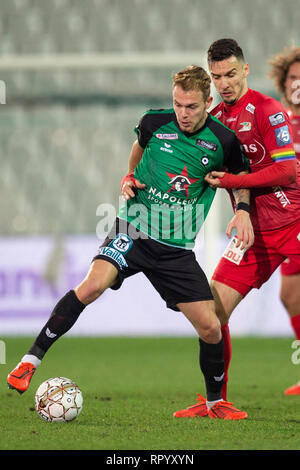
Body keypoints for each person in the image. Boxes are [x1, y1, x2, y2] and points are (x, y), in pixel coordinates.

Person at [7, 65, 252, 420]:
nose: (183, 113)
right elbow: (137, 150)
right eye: (178, 105)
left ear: (207, 102)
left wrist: (242, 209)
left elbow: (242, 176)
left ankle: (214, 403)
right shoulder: (154, 123)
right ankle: (30, 361)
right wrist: (129, 176)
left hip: (176, 249)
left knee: (211, 326)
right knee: (92, 286)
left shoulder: (223, 141)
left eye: (192, 107)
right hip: (133, 229)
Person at [174, 39, 300, 418]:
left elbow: (286, 171)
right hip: (253, 234)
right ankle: (217, 401)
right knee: (212, 314)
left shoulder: (269, 111)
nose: (225, 83)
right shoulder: (213, 119)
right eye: (217, 77)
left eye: (231, 74)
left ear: (245, 70)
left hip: (293, 223)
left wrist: (227, 181)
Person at [269, 46, 300, 395]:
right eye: (293, 77)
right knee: (291, 296)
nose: (298, 83)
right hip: (288, 218)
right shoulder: (275, 119)